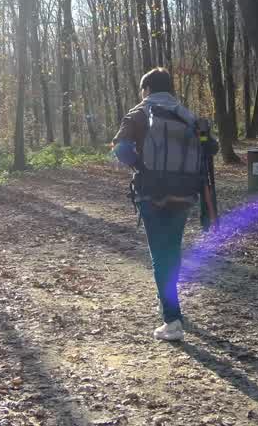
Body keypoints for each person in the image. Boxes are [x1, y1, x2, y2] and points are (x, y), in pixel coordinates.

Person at [111, 67, 214, 342]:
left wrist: (142, 168)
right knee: (172, 251)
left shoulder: (140, 113)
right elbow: (211, 147)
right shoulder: (187, 115)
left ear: (146, 89)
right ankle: (170, 305)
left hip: (151, 193)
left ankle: (172, 320)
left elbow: (120, 149)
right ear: (170, 89)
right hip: (185, 193)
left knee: (160, 257)